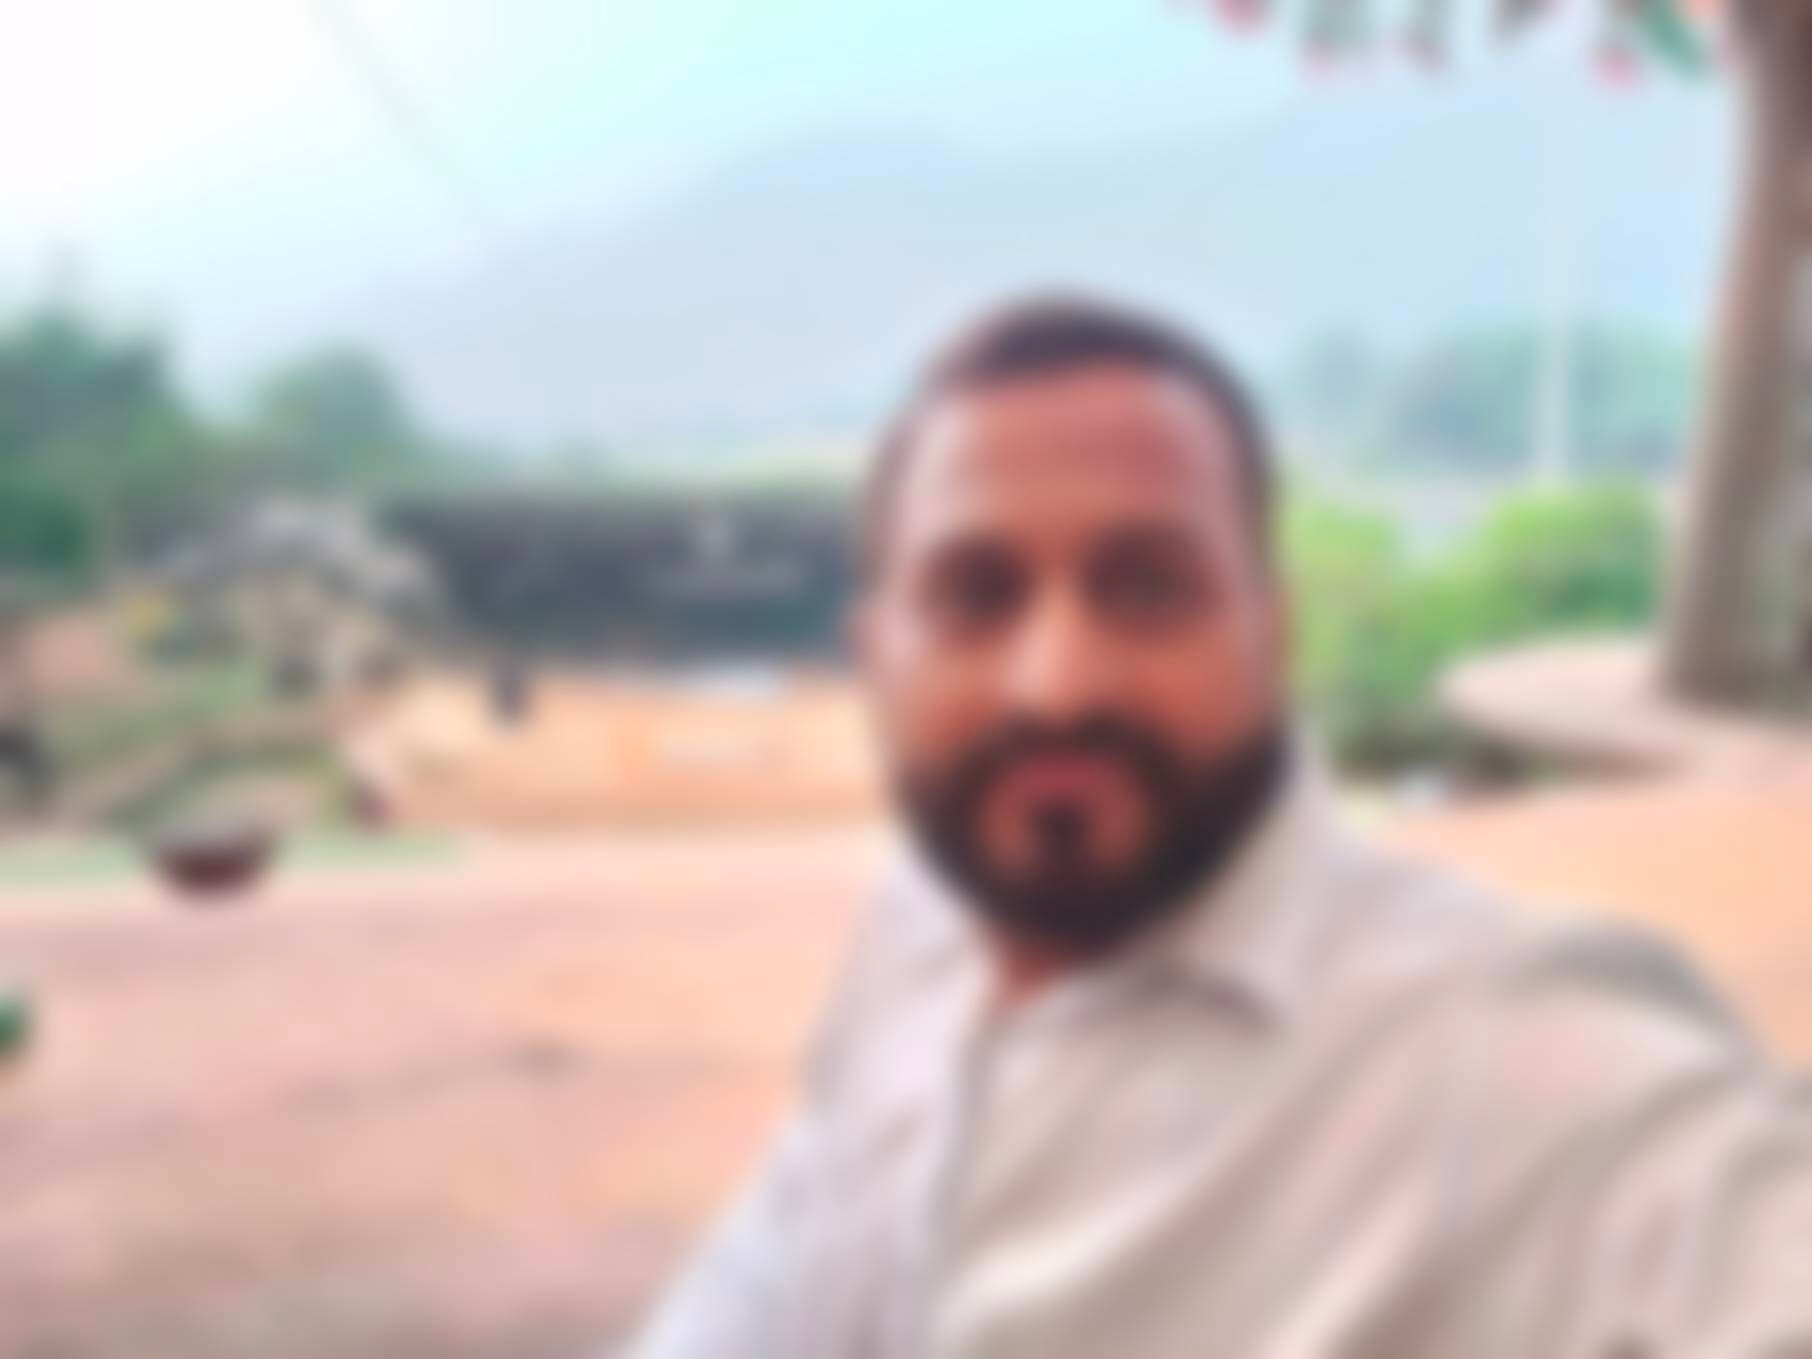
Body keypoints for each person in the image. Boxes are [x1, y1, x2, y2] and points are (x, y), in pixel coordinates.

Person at [623, 297, 1812, 1358]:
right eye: (975, 596)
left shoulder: (1504, 1052)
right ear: (877, 656)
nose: (1057, 684)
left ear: (1271, 632)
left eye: (1148, 587)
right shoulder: (925, 920)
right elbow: (785, 1247)